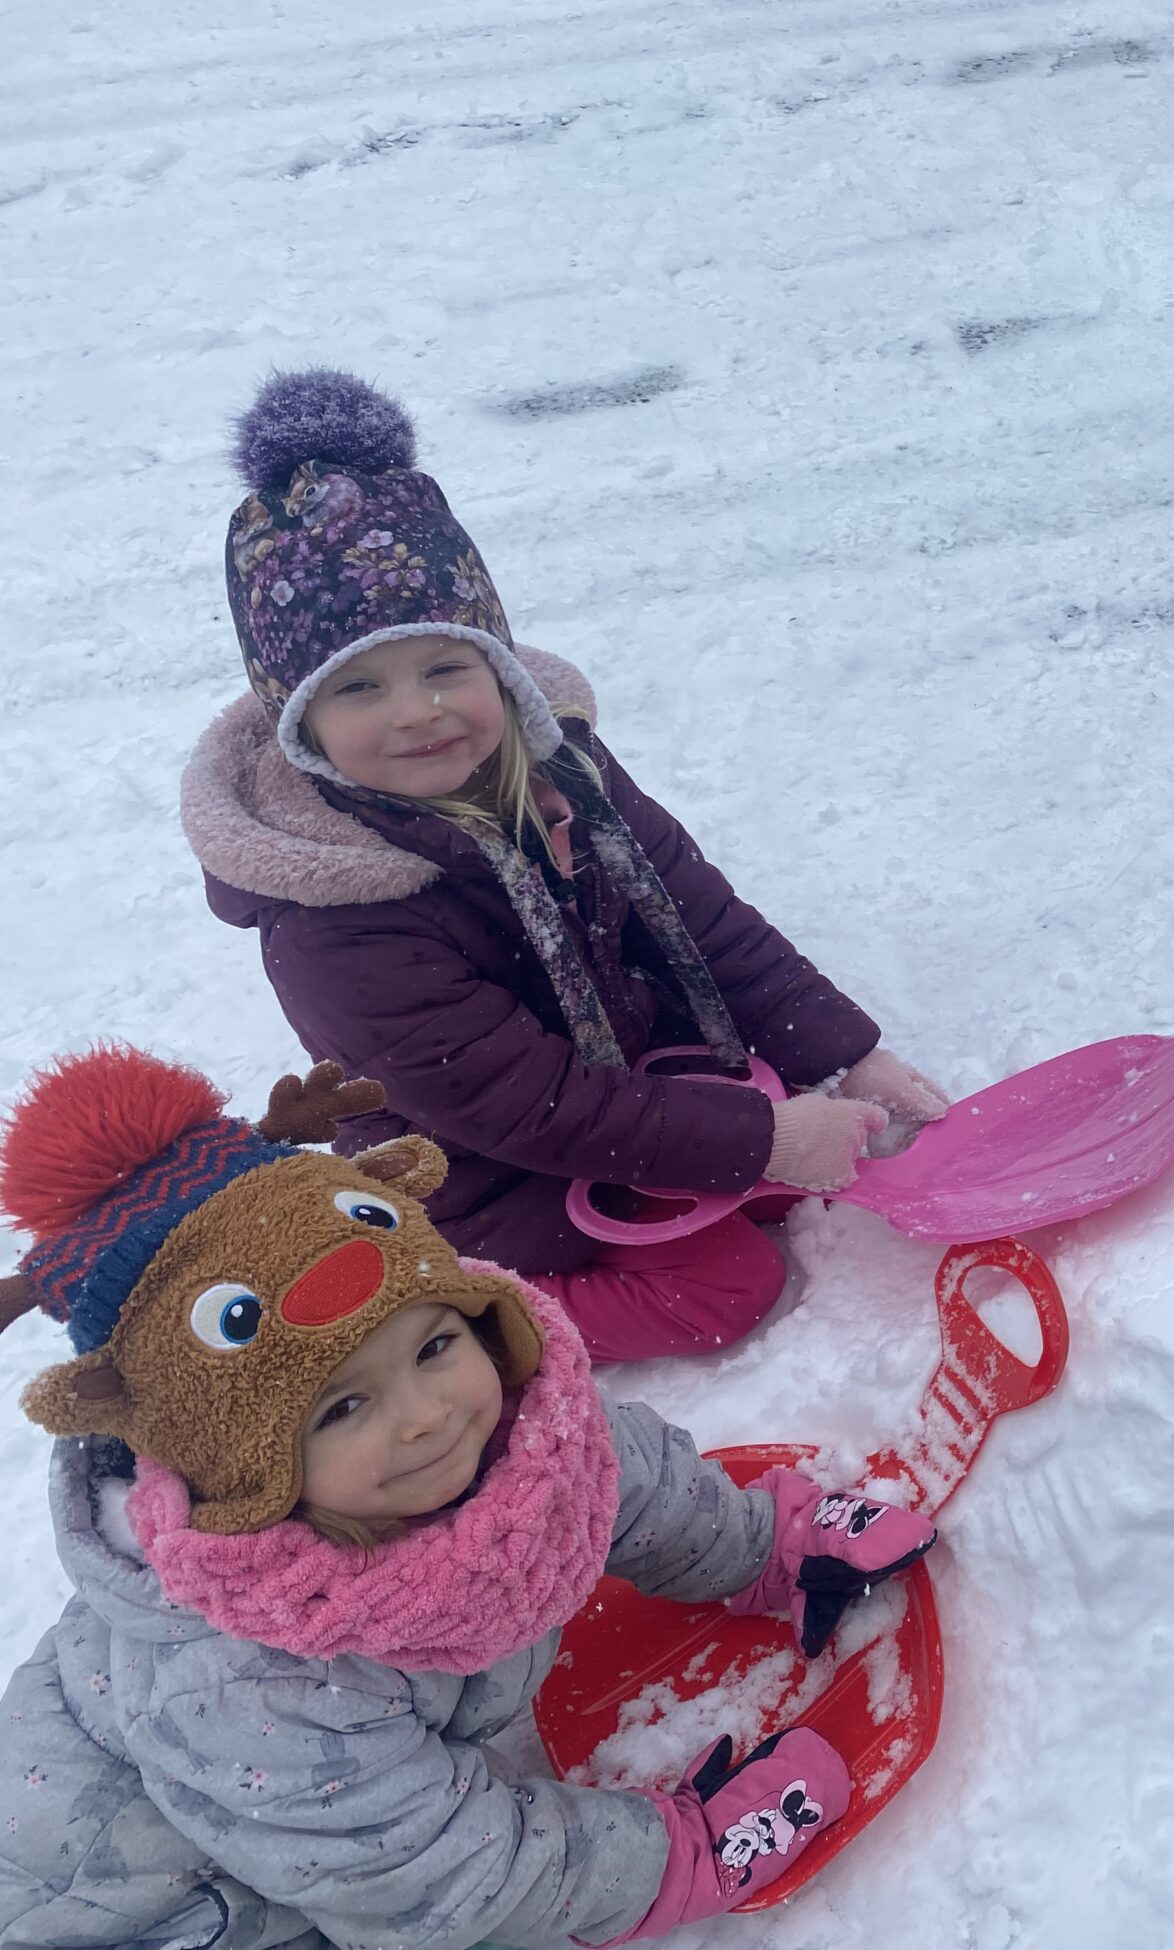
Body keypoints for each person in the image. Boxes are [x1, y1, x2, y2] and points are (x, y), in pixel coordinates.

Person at [0, 1044, 937, 1948]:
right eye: (343, 1407)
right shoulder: (251, 1687)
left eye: (435, 1345)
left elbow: (608, 1477)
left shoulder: (498, 1422)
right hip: (143, 1905)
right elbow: (427, 1876)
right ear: (239, 1471)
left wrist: (758, 1546)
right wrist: (671, 1858)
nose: (429, 1415)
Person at [179, 369, 949, 1363]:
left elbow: (700, 915)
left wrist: (839, 1052)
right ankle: (467, 1316)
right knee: (725, 1284)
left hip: (615, 1076)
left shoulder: (563, 772)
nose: (418, 711)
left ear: (496, 665)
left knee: (796, 1173)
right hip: (482, 1165)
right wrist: (763, 1140)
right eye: (360, 688)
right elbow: (520, 1105)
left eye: (445, 667)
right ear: (303, 724)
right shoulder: (332, 918)